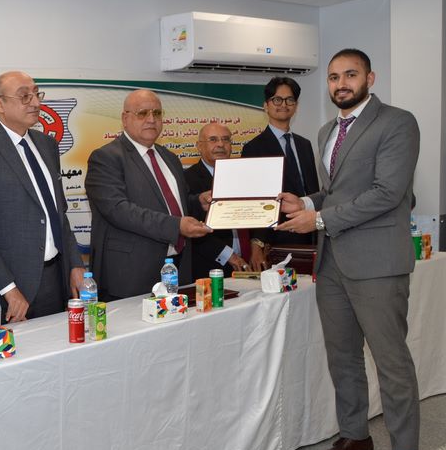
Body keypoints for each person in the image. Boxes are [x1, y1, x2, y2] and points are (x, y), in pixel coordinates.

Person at [277, 48, 421, 450]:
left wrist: (318, 219)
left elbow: (387, 193)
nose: (341, 84)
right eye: (334, 77)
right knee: (342, 356)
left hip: (377, 262)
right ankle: (356, 436)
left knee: (391, 361)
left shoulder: (397, 123)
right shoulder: (327, 131)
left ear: (369, 78)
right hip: (332, 262)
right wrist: (306, 202)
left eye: (350, 75)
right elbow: (336, 191)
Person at [0, 71, 85, 321]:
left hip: (57, 278)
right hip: (12, 289)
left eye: (36, 94)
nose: (35, 102)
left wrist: (76, 263)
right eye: (24, 96)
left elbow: (58, 213)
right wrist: (8, 288)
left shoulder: (47, 145)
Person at [85, 89, 210, 300]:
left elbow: (175, 205)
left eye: (157, 113)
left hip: (177, 267)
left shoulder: (169, 157)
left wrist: (198, 202)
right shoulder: (106, 158)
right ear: (125, 119)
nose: (151, 119)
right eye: (142, 113)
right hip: (131, 274)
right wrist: (176, 226)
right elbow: (119, 211)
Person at [242, 76, 321, 263]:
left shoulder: (304, 144)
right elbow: (254, 201)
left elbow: (312, 190)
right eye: (277, 100)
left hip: (311, 234)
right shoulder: (253, 148)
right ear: (266, 105)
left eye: (289, 100)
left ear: (296, 106)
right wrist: (257, 243)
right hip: (276, 240)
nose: (283, 105)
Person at [185, 122, 253, 279]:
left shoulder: (243, 174)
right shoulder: (187, 179)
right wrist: (229, 256)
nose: (221, 144)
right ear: (199, 146)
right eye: (213, 139)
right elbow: (193, 227)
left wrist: (257, 244)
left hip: (249, 262)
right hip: (212, 267)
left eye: (226, 139)